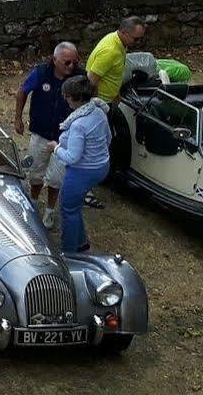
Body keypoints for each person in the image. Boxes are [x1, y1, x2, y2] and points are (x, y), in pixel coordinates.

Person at [15, 41, 80, 229]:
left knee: (56, 178)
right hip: (41, 133)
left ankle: (50, 211)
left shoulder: (79, 78)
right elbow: (22, 91)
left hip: (65, 138)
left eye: (74, 62)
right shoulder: (41, 72)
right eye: (66, 62)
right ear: (54, 60)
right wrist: (18, 118)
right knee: (35, 172)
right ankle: (32, 204)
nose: (71, 67)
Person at [47, 75, 109, 254]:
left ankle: (68, 253)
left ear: (76, 99)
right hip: (101, 166)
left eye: (67, 96)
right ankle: (81, 243)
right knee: (75, 207)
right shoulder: (98, 112)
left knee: (68, 210)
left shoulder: (78, 125)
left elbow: (72, 157)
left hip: (82, 171)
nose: (65, 99)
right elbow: (108, 138)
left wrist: (56, 148)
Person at [85, 16, 147, 108]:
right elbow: (91, 80)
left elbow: (113, 71)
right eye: (136, 39)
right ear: (124, 33)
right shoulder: (111, 51)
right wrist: (96, 107)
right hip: (102, 103)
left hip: (110, 99)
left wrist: (116, 93)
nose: (139, 42)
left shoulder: (117, 39)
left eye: (141, 39)